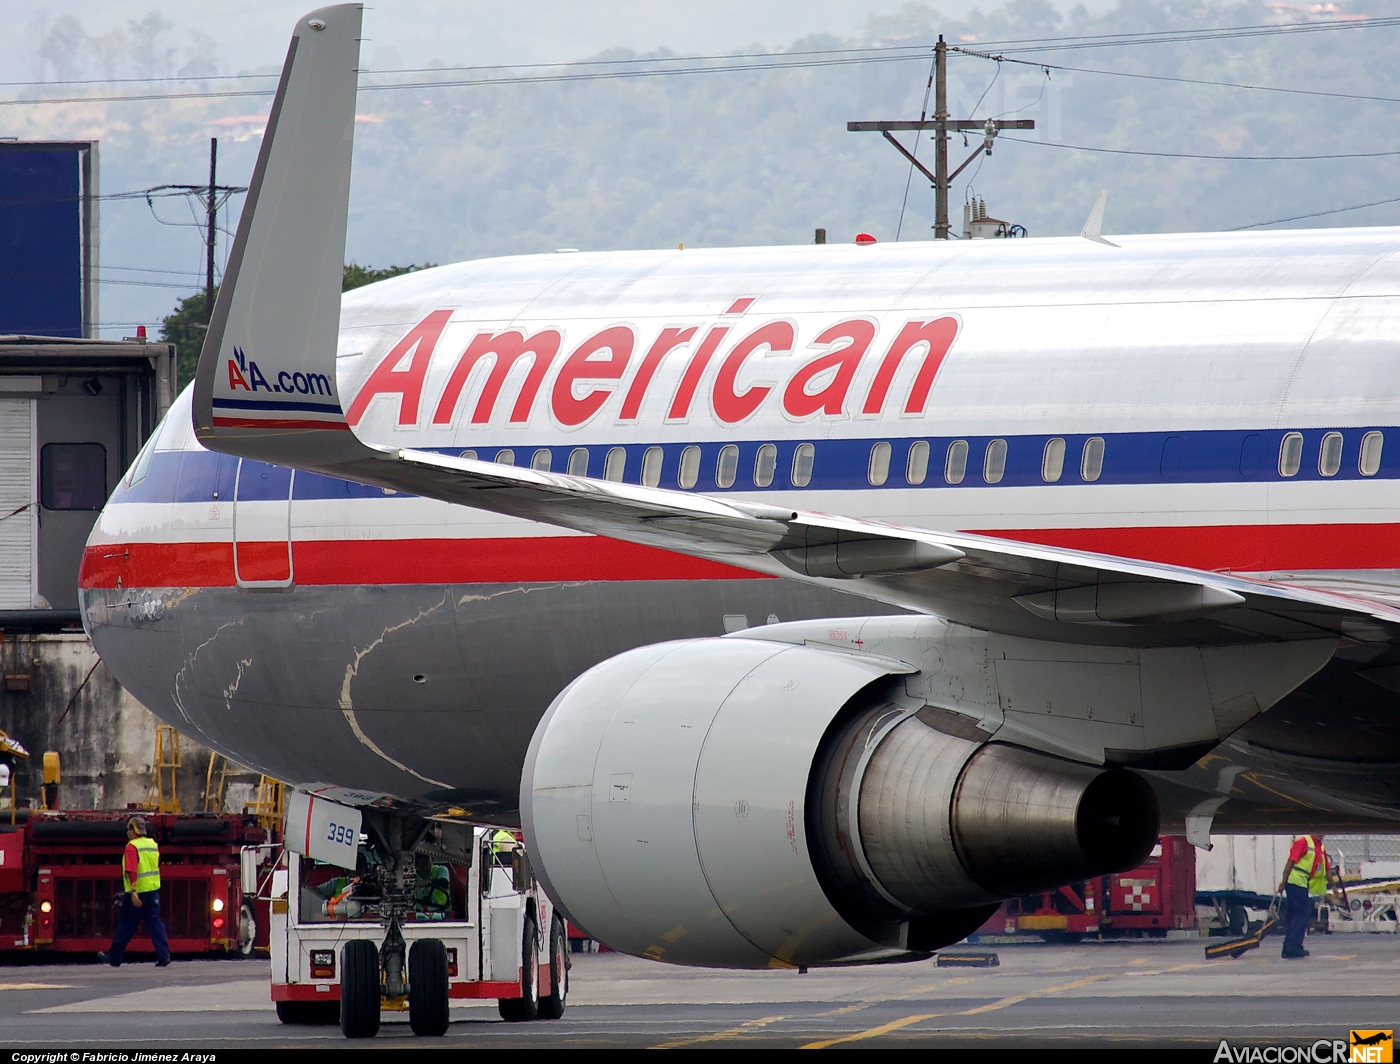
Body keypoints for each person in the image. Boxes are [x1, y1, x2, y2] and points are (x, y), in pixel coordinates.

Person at [98, 817, 171, 968]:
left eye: (128, 830)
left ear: (133, 830)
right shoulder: (152, 844)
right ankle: (164, 955)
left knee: (126, 925)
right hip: (152, 891)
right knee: (155, 923)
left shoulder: (132, 847)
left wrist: (133, 891)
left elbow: (132, 870)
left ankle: (114, 957)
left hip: (137, 893)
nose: (127, 833)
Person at [1276, 833, 1341, 959]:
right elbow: (1291, 862)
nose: (1321, 835)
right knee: (1303, 913)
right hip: (1296, 881)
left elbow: (1326, 869)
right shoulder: (1304, 842)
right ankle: (1294, 946)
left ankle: (1288, 947)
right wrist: (1283, 882)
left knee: (1293, 914)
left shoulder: (1321, 848)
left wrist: (1333, 886)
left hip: (1302, 882)